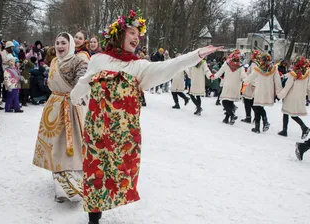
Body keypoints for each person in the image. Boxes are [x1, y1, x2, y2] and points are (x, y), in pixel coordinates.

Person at [70, 9, 222, 224]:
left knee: (118, 175)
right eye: (132, 32)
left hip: (124, 136)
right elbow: (84, 83)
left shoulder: (139, 67)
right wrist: (73, 99)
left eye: (138, 35)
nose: (136, 37)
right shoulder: (99, 60)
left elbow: (169, 66)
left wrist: (196, 55)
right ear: (119, 34)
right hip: (97, 130)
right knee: (95, 173)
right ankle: (93, 217)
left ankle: (106, 202)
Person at [32, 32, 88, 203]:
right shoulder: (54, 61)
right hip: (53, 108)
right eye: (57, 43)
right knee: (55, 147)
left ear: (70, 44)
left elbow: (83, 83)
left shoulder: (79, 61)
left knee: (71, 148)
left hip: (71, 108)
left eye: (63, 42)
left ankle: (73, 186)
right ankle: (60, 187)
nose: (59, 46)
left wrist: (75, 96)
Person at [244, 53, 283, 133]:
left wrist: (243, 81)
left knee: (257, 107)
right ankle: (263, 124)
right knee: (259, 107)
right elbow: (277, 81)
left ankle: (259, 126)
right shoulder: (274, 69)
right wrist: (279, 92)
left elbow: (250, 78)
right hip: (268, 91)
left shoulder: (258, 69)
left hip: (259, 90)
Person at [276, 56, 310, 139]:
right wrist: (308, 97)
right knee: (289, 113)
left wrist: (279, 95)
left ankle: (303, 127)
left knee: (289, 113)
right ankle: (285, 130)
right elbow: (309, 87)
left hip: (290, 96)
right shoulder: (307, 73)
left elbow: (287, 87)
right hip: (300, 96)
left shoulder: (293, 74)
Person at [212, 50, 247, 125]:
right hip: (236, 87)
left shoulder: (226, 63)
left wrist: (213, 77)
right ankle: (227, 119)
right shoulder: (241, 66)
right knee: (230, 102)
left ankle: (232, 115)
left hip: (227, 86)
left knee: (224, 102)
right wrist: (248, 82)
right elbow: (244, 77)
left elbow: (219, 73)